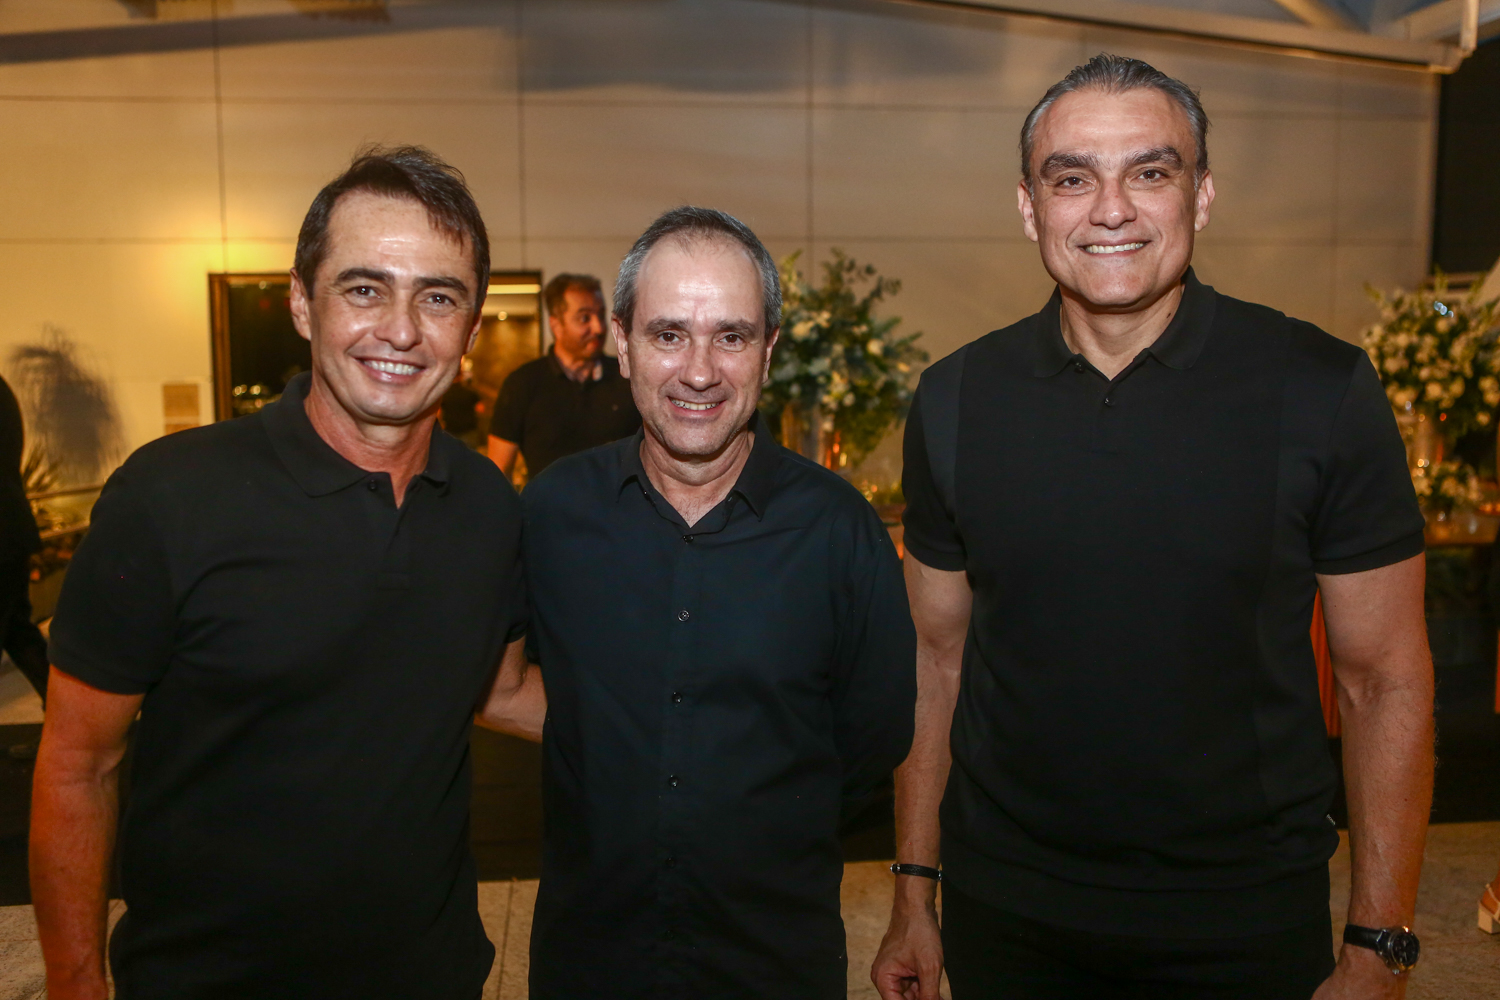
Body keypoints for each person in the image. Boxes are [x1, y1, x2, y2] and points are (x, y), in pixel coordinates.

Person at [873, 54, 1433, 1000]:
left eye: (1150, 171)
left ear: (1201, 194)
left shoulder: (1319, 388)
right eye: (1072, 178)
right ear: (1029, 207)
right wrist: (914, 893)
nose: (1111, 209)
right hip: (1007, 915)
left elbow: (1384, 678)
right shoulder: (955, 398)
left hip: (1245, 920)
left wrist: (1380, 945)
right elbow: (934, 661)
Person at [30, 146, 538, 999]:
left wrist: (707, 723)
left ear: (473, 331)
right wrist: (76, 983)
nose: (401, 330)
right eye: (364, 288)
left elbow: (504, 690)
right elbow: (79, 764)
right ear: (303, 302)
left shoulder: (488, 505)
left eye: (438, 297)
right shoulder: (170, 496)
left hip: (433, 977)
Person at [480, 206, 916, 999]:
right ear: (622, 342)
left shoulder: (837, 529)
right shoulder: (550, 513)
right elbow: (502, 684)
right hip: (591, 959)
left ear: (769, 350)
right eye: (669, 334)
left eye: (731, 336)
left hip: (774, 961)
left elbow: (871, 736)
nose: (700, 371)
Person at [486, 272, 641, 482]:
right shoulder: (522, 384)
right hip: (546, 504)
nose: (598, 327)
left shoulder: (628, 377)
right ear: (556, 326)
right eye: (584, 318)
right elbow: (498, 472)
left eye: (601, 314)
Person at [0, 372, 48, 719]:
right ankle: (67, 718)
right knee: (18, 631)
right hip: (9, 529)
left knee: (17, 630)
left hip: (5, 532)